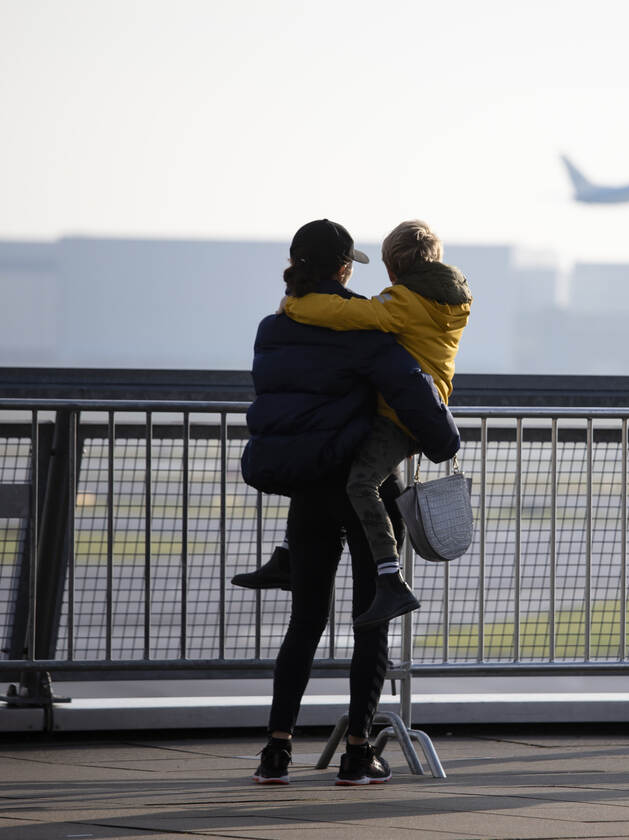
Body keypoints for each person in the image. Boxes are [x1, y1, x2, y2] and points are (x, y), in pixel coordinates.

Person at [241, 218, 460, 786]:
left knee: (305, 620)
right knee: (373, 621)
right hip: (364, 488)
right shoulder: (364, 326)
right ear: (343, 268)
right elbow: (409, 385)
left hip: (308, 490)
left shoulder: (273, 327)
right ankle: (358, 755)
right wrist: (443, 443)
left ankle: (276, 751)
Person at [280, 219, 471, 629]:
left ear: (393, 267)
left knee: (359, 482)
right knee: (328, 449)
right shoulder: (448, 299)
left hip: (400, 413)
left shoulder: (405, 302)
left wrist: (296, 305)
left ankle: (391, 577)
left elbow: (348, 312)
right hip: (416, 406)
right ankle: (286, 556)